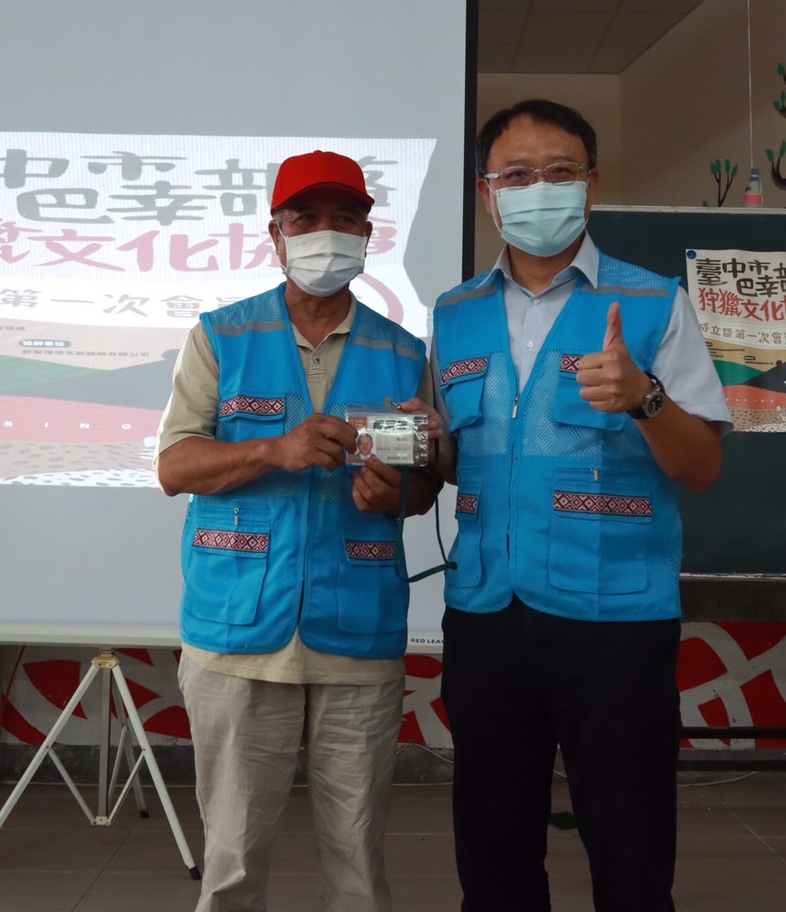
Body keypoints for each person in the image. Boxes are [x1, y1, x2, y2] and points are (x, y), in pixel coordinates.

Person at [431, 100, 732, 912]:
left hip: (615, 622)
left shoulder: (653, 302)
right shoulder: (453, 314)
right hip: (486, 617)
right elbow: (466, 461)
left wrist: (646, 399)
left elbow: (703, 466)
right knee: (492, 857)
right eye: (517, 175)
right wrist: (422, 446)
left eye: (559, 172)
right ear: (487, 193)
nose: (539, 189)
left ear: (591, 185)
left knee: (631, 857)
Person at [154, 150, 441, 912]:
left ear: (368, 236)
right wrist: (273, 450)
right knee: (233, 866)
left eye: (344, 219)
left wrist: (399, 491)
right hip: (237, 635)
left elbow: (423, 487)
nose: (325, 234)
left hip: (357, 632)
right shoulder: (221, 336)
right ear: (275, 234)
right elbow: (174, 466)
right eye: (305, 219)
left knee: (358, 869)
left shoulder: (404, 352)